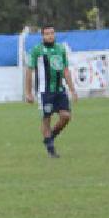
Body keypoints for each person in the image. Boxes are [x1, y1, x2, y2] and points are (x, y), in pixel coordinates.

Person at [24, 26, 77, 158]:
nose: (50, 36)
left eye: (52, 33)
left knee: (66, 116)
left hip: (59, 90)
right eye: (47, 34)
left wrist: (72, 89)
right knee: (46, 119)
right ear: (42, 36)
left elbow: (65, 70)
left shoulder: (60, 49)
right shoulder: (37, 50)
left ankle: (49, 137)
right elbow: (29, 71)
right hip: (44, 92)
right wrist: (28, 92)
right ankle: (51, 150)